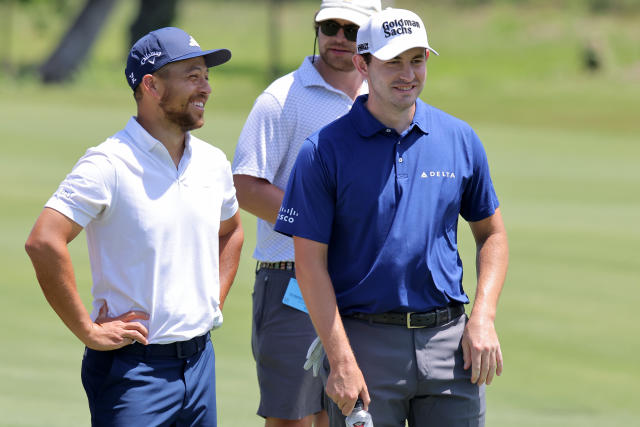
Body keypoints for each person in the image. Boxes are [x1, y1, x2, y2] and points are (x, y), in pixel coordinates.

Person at [274, 7, 509, 427]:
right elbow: (309, 264)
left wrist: (484, 316)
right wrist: (340, 359)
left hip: (449, 346)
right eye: (393, 61)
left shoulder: (459, 137)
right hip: (364, 345)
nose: (408, 74)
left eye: (417, 60)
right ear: (363, 65)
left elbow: (491, 233)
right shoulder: (323, 150)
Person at [25, 27, 243, 426]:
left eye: (206, 76)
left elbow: (230, 230)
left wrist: (213, 302)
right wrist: (88, 330)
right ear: (151, 85)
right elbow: (44, 240)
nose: (206, 88)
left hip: (199, 364)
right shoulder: (107, 164)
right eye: (192, 76)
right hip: (133, 372)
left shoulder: (213, 162)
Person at [231, 1, 381, 425]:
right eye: (328, 26)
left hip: (360, 281)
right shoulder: (282, 97)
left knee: (352, 411)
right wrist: (321, 225)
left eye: (350, 30)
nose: (337, 37)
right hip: (289, 276)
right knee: (293, 417)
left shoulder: (382, 96)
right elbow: (245, 186)